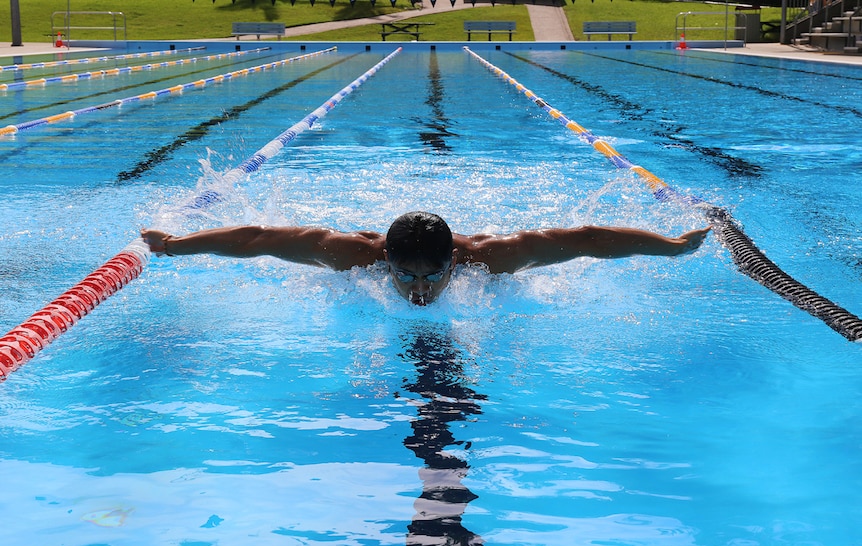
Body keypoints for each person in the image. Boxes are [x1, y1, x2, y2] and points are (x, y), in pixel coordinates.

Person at [141, 211, 710, 306]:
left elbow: (588, 238)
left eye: (431, 276)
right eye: (403, 275)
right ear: (383, 258)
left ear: (452, 264)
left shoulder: (489, 259)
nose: (417, 292)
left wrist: (674, 248)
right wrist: (174, 246)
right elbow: (254, 239)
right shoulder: (349, 256)